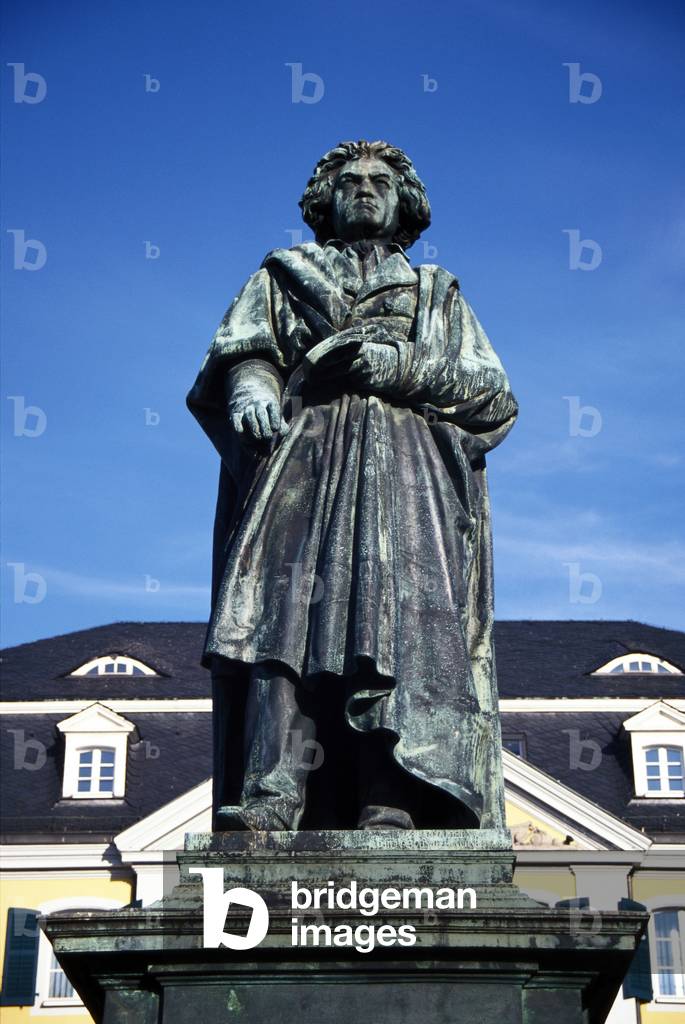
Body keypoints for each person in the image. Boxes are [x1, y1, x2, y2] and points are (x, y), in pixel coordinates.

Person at [187, 140, 518, 832]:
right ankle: (271, 795)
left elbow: (492, 397)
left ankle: (390, 796)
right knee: (281, 623)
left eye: (379, 182)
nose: (364, 190)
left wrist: (391, 367)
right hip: (299, 467)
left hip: (408, 482)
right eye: (349, 181)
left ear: (404, 203)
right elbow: (243, 353)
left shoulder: (437, 293)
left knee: (397, 632)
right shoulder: (282, 276)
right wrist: (254, 389)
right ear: (324, 201)